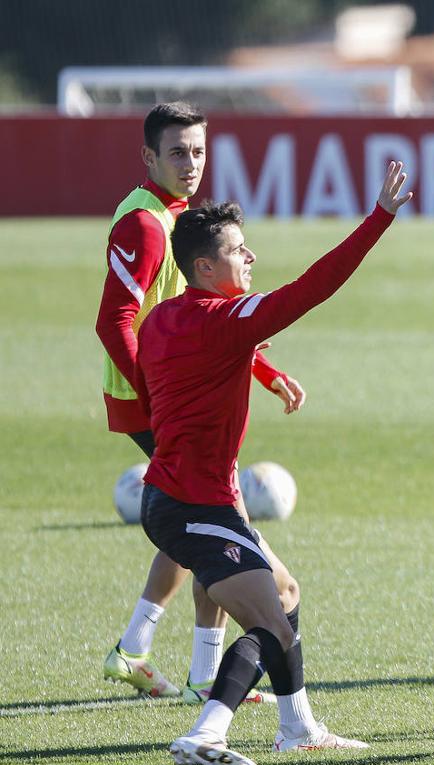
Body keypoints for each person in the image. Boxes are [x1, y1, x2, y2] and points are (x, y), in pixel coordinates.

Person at [137, 161, 412, 765]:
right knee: (271, 629)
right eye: (239, 251)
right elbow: (313, 286)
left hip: (176, 498)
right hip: (195, 503)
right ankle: (208, 734)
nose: (251, 257)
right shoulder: (226, 321)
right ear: (205, 268)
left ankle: (297, 727)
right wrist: (380, 219)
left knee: (285, 593)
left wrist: (258, 368)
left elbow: (184, 368)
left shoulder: (162, 321)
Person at [96, 102, 301, 702]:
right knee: (209, 523)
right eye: (178, 152)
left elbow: (204, 324)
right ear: (148, 158)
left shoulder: (177, 218)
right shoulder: (144, 224)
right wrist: (160, 399)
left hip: (170, 392)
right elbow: (115, 323)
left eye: (199, 151)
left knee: (196, 529)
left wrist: (261, 369)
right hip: (154, 398)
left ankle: (161, 656)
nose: (192, 163)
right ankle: (168, 661)